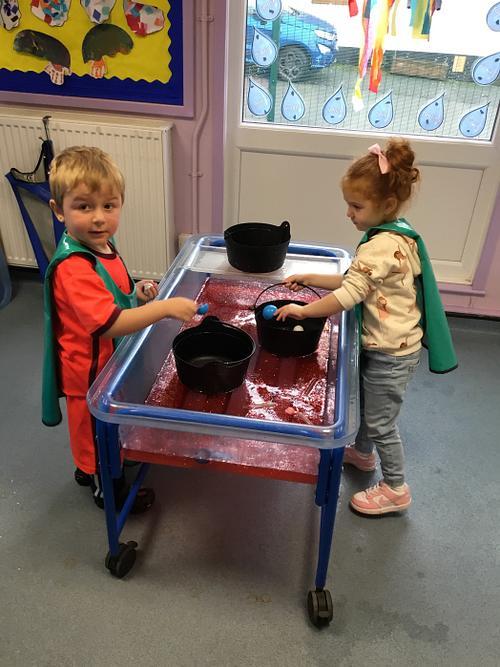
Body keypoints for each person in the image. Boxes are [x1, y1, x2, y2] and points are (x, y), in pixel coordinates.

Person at [276, 139, 457, 516]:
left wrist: (303, 311)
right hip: (389, 346)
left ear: (386, 205)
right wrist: (311, 277)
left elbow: (349, 295)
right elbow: (357, 280)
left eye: (356, 206)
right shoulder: (398, 235)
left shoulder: (379, 247)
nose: (349, 213)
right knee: (368, 405)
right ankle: (361, 454)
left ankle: (395, 489)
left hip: (392, 354)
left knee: (381, 422)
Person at [42, 146, 198, 511]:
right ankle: (109, 491)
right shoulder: (74, 267)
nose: (99, 218)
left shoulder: (101, 246)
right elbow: (108, 323)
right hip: (89, 370)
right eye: (84, 207)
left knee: (101, 430)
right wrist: (163, 308)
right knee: (96, 434)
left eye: (108, 206)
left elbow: (112, 293)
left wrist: (137, 291)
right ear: (59, 210)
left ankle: (92, 468)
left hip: (108, 363)